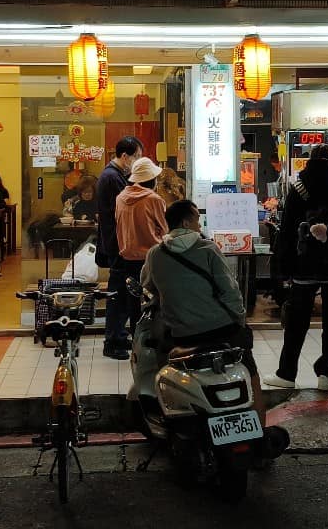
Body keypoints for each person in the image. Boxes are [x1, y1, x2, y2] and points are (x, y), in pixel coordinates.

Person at [142, 199, 266, 424]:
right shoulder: (208, 249)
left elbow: (147, 285)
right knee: (250, 371)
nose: (200, 225)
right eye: (197, 220)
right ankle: (260, 427)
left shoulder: (154, 254)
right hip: (222, 329)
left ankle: (171, 414)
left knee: (163, 360)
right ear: (186, 222)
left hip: (182, 334)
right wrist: (239, 320)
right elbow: (230, 292)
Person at [263, 143, 328, 391]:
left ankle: (287, 373)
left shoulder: (299, 189)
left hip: (304, 265)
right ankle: (325, 374)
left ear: (309, 161)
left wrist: (281, 269)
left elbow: (286, 232)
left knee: (297, 322)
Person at [107, 154, 167, 359]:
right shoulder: (154, 199)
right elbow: (165, 228)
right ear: (150, 180)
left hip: (127, 260)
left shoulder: (120, 198)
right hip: (152, 258)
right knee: (154, 303)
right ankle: (152, 346)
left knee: (133, 305)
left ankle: (137, 345)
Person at [96, 136, 143, 357]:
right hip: (117, 244)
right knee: (118, 294)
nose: (137, 162)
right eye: (137, 157)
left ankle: (118, 336)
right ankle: (112, 341)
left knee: (122, 293)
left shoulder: (113, 175)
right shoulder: (111, 177)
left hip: (118, 242)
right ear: (125, 156)